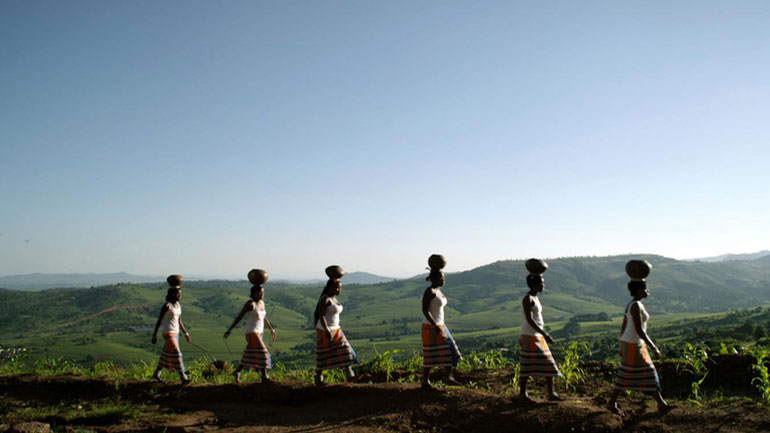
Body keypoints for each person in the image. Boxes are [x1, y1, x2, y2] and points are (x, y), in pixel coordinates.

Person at [607, 279, 671, 414]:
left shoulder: (633, 304)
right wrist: (654, 347)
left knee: (635, 372)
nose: (648, 291)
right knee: (643, 372)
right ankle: (660, 403)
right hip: (632, 344)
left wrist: (621, 344)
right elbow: (639, 330)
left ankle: (660, 403)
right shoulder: (635, 306)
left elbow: (624, 325)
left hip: (632, 343)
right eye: (645, 289)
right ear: (638, 291)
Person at [224, 269, 276, 384]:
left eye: (263, 292)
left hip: (259, 333)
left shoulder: (262, 304)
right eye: (261, 293)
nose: (262, 294)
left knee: (249, 354)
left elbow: (264, 318)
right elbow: (240, 316)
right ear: (255, 293)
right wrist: (230, 329)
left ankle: (237, 371)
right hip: (252, 332)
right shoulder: (250, 303)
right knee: (264, 352)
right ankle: (264, 376)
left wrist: (271, 329)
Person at [519, 270, 562, 402]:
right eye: (541, 284)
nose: (543, 286)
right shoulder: (528, 299)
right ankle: (523, 394)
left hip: (536, 335)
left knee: (547, 363)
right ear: (534, 285)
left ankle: (550, 392)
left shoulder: (535, 298)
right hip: (530, 335)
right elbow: (530, 320)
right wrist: (545, 334)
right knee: (527, 365)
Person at [314, 266, 357, 385]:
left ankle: (350, 374)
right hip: (324, 330)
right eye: (338, 287)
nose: (340, 290)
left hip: (336, 329)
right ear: (332, 288)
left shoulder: (333, 299)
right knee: (323, 354)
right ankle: (319, 377)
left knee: (346, 350)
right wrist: (327, 329)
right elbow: (321, 315)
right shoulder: (325, 299)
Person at [421, 268, 462, 389]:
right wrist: (434, 325)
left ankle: (448, 377)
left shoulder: (438, 291)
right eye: (441, 277)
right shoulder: (429, 291)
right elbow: (425, 310)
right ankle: (425, 381)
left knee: (450, 350)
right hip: (431, 326)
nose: (443, 279)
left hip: (440, 325)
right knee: (430, 354)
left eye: (443, 277)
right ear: (433, 279)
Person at [152, 274, 190, 384]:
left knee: (166, 353)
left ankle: (157, 372)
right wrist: (154, 335)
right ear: (174, 294)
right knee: (177, 353)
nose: (180, 296)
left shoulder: (178, 306)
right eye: (179, 294)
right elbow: (159, 320)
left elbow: (179, 321)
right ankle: (183, 376)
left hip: (176, 332)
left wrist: (186, 333)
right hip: (168, 332)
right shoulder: (167, 306)